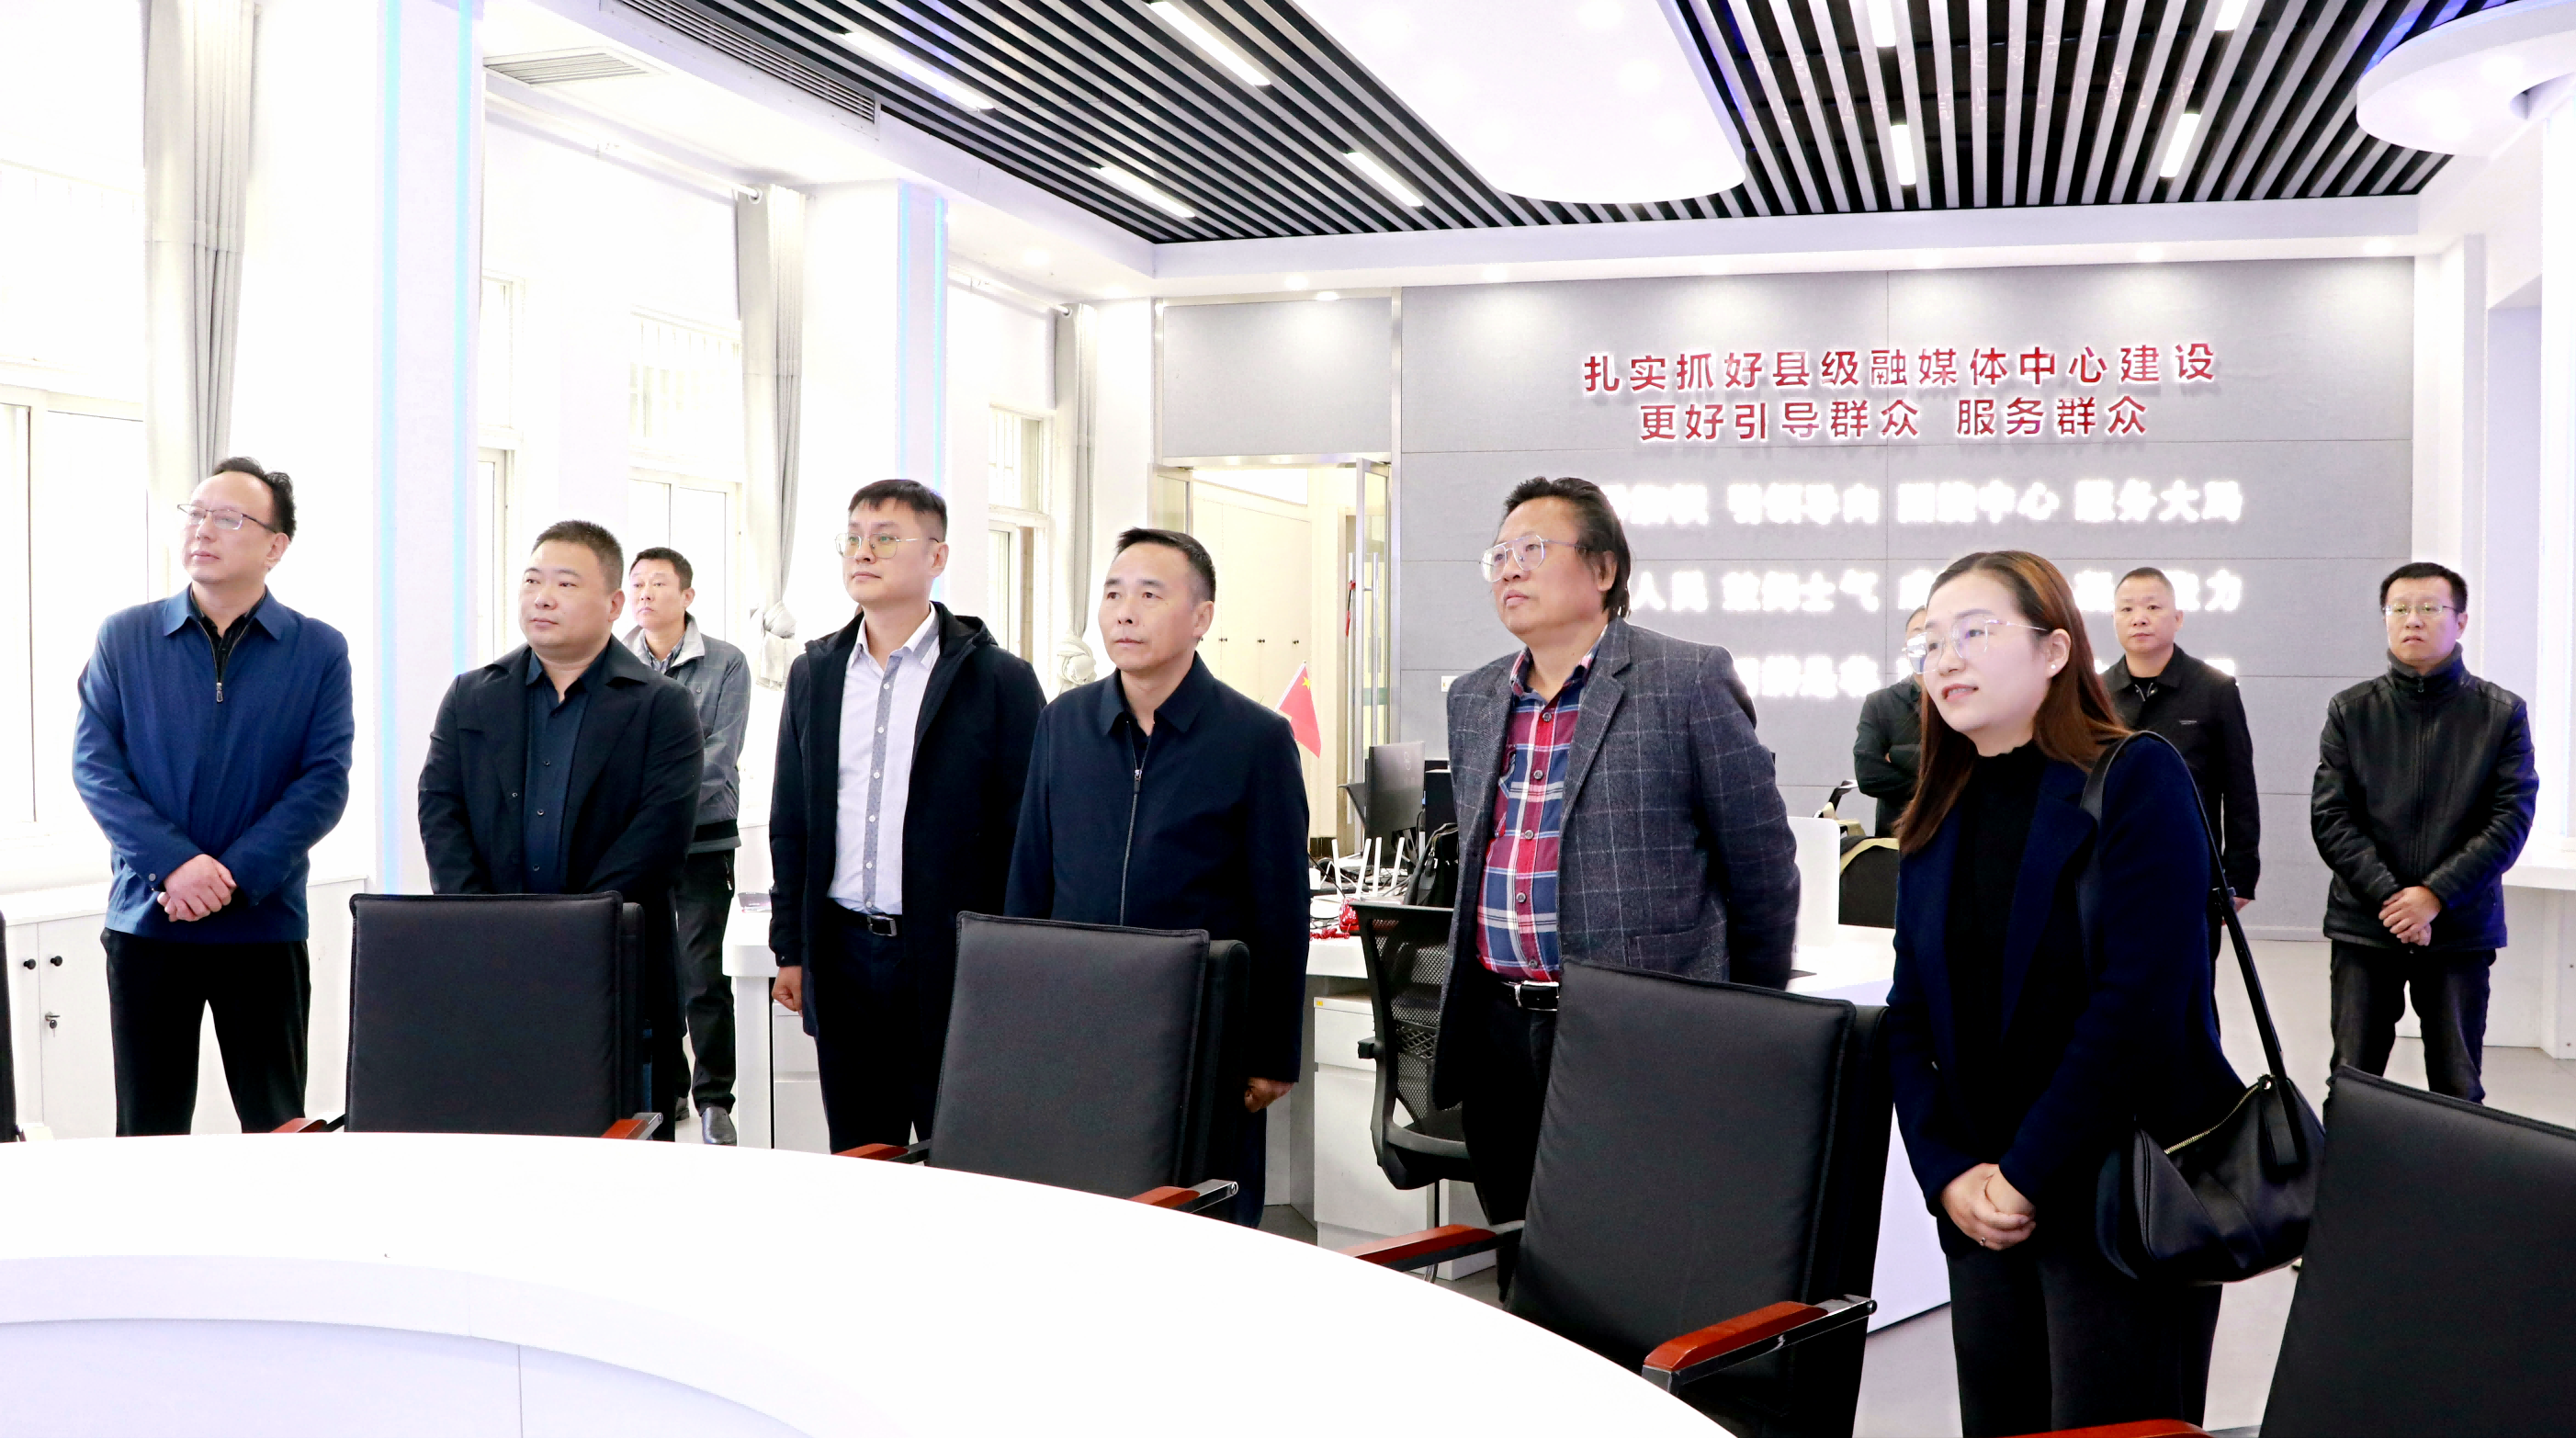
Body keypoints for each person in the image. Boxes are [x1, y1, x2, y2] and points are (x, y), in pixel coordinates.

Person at [1883, 549, 2243, 1437]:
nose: (1947, 658)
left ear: (2053, 650)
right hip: (1982, 1207)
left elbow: (2141, 1006)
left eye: (1975, 632)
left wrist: (2025, 1174)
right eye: (1931, 642)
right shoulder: (1937, 806)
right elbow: (1908, 1014)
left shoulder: (2136, 777)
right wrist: (1947, 1173)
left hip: (2117, 1198)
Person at [1430, 476, 1801, 1249]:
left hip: (1637, 1032)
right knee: (1518, 1248)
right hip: (1499, 1029)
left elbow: (1761, 865)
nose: (1510, 568)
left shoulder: (1685, 680)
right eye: (1499, 554)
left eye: (1534, 548)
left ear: (1603, 569)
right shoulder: (1473, 697)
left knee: (1629, 1253)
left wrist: (1744, 1019)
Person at [1007, 527, 1309, 1226]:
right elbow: (1030, 880)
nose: (1125, 612)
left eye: (1150, 595)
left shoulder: (1255, 739)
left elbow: (1280, 909)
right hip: (1078, 1025)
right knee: (1086, 1223)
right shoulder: (1063, 724)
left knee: (1204, 1227)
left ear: (1202, 617)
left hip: (1202, 1034)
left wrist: (1272, 1052)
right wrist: (1019, 1018)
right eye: (1113, 594)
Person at [73, 458, 353, 1136]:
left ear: (275, 547)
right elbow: (96, 768)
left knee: (277, 1124)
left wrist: (229, 877)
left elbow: (323, 782)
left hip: (263, 922)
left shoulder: (318, 649)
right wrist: (176, 866)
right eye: (195, 514)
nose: (202, 530)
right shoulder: (126, 636)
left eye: (228, 518)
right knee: (149, 1127)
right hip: (150, 918)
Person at [770, 481, 1044, 1155]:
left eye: (886, 538)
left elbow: (1025, 838)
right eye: (854, 537)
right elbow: (792, 819)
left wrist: (1014, 960)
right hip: (843, 954)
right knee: (861, 1158)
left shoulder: (998, 680)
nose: (863, 552)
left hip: (952, 959)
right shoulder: (816, 673)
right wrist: (792, 949)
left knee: (965, 1159)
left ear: (937, 557)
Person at [418, 520, 702, 1132]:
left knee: (621, 1163)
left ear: (614, 604)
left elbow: (659, 837)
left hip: (616, 972)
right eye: (532, 581)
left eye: (565, 584)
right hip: (493, 969)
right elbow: (441, 810)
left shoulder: (661, 706)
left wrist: (573, 930)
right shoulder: (473, 696)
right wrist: (483, 921)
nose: (542, 597)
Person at [2311, 561, 2536, 1104]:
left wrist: (2434, 896)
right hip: (2367, 923)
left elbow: (2510, 818)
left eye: (2430, 608)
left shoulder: (2501, 713)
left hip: (2458, 926)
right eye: (2400, 609)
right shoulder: (2351, 710)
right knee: (2353, 1080)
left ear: (2461, 621)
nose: (2413, 619)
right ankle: (2347, 1165)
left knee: (2457, 1085)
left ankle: (2455, 1168)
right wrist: (2394, 900)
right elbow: (2331, 816)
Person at [624, 546, 752, 1145]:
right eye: (637, 584)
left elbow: (718, 758)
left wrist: (653, 806)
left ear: (687, 595)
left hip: (703, 841)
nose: (645, 594)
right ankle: (667, 1090)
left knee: (701, 974)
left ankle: (714, 1100)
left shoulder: (726, 663)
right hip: (636, 848)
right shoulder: (613, 662)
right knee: (649, 976)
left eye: (658, 583)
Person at [2103, 568, 2260, 918]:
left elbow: (2239, 790)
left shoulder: (2214, 689)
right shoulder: (2096, 693)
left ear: (2178, 618)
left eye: (2153, 607)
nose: (2139, 618)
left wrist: (2240, 875)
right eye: (2127, 609)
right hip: (2112, 869)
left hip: (2192, 869)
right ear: (2114, 619)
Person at [1853, 606, 1931, 836]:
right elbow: (1869, 776)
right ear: (1906, 648)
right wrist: (1936, 788)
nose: (1925, 641)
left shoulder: (1964, 702)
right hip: (1895, 836)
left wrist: (1898, 758)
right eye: (1918, 633)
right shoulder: (1880, 703)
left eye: (1931, 632)